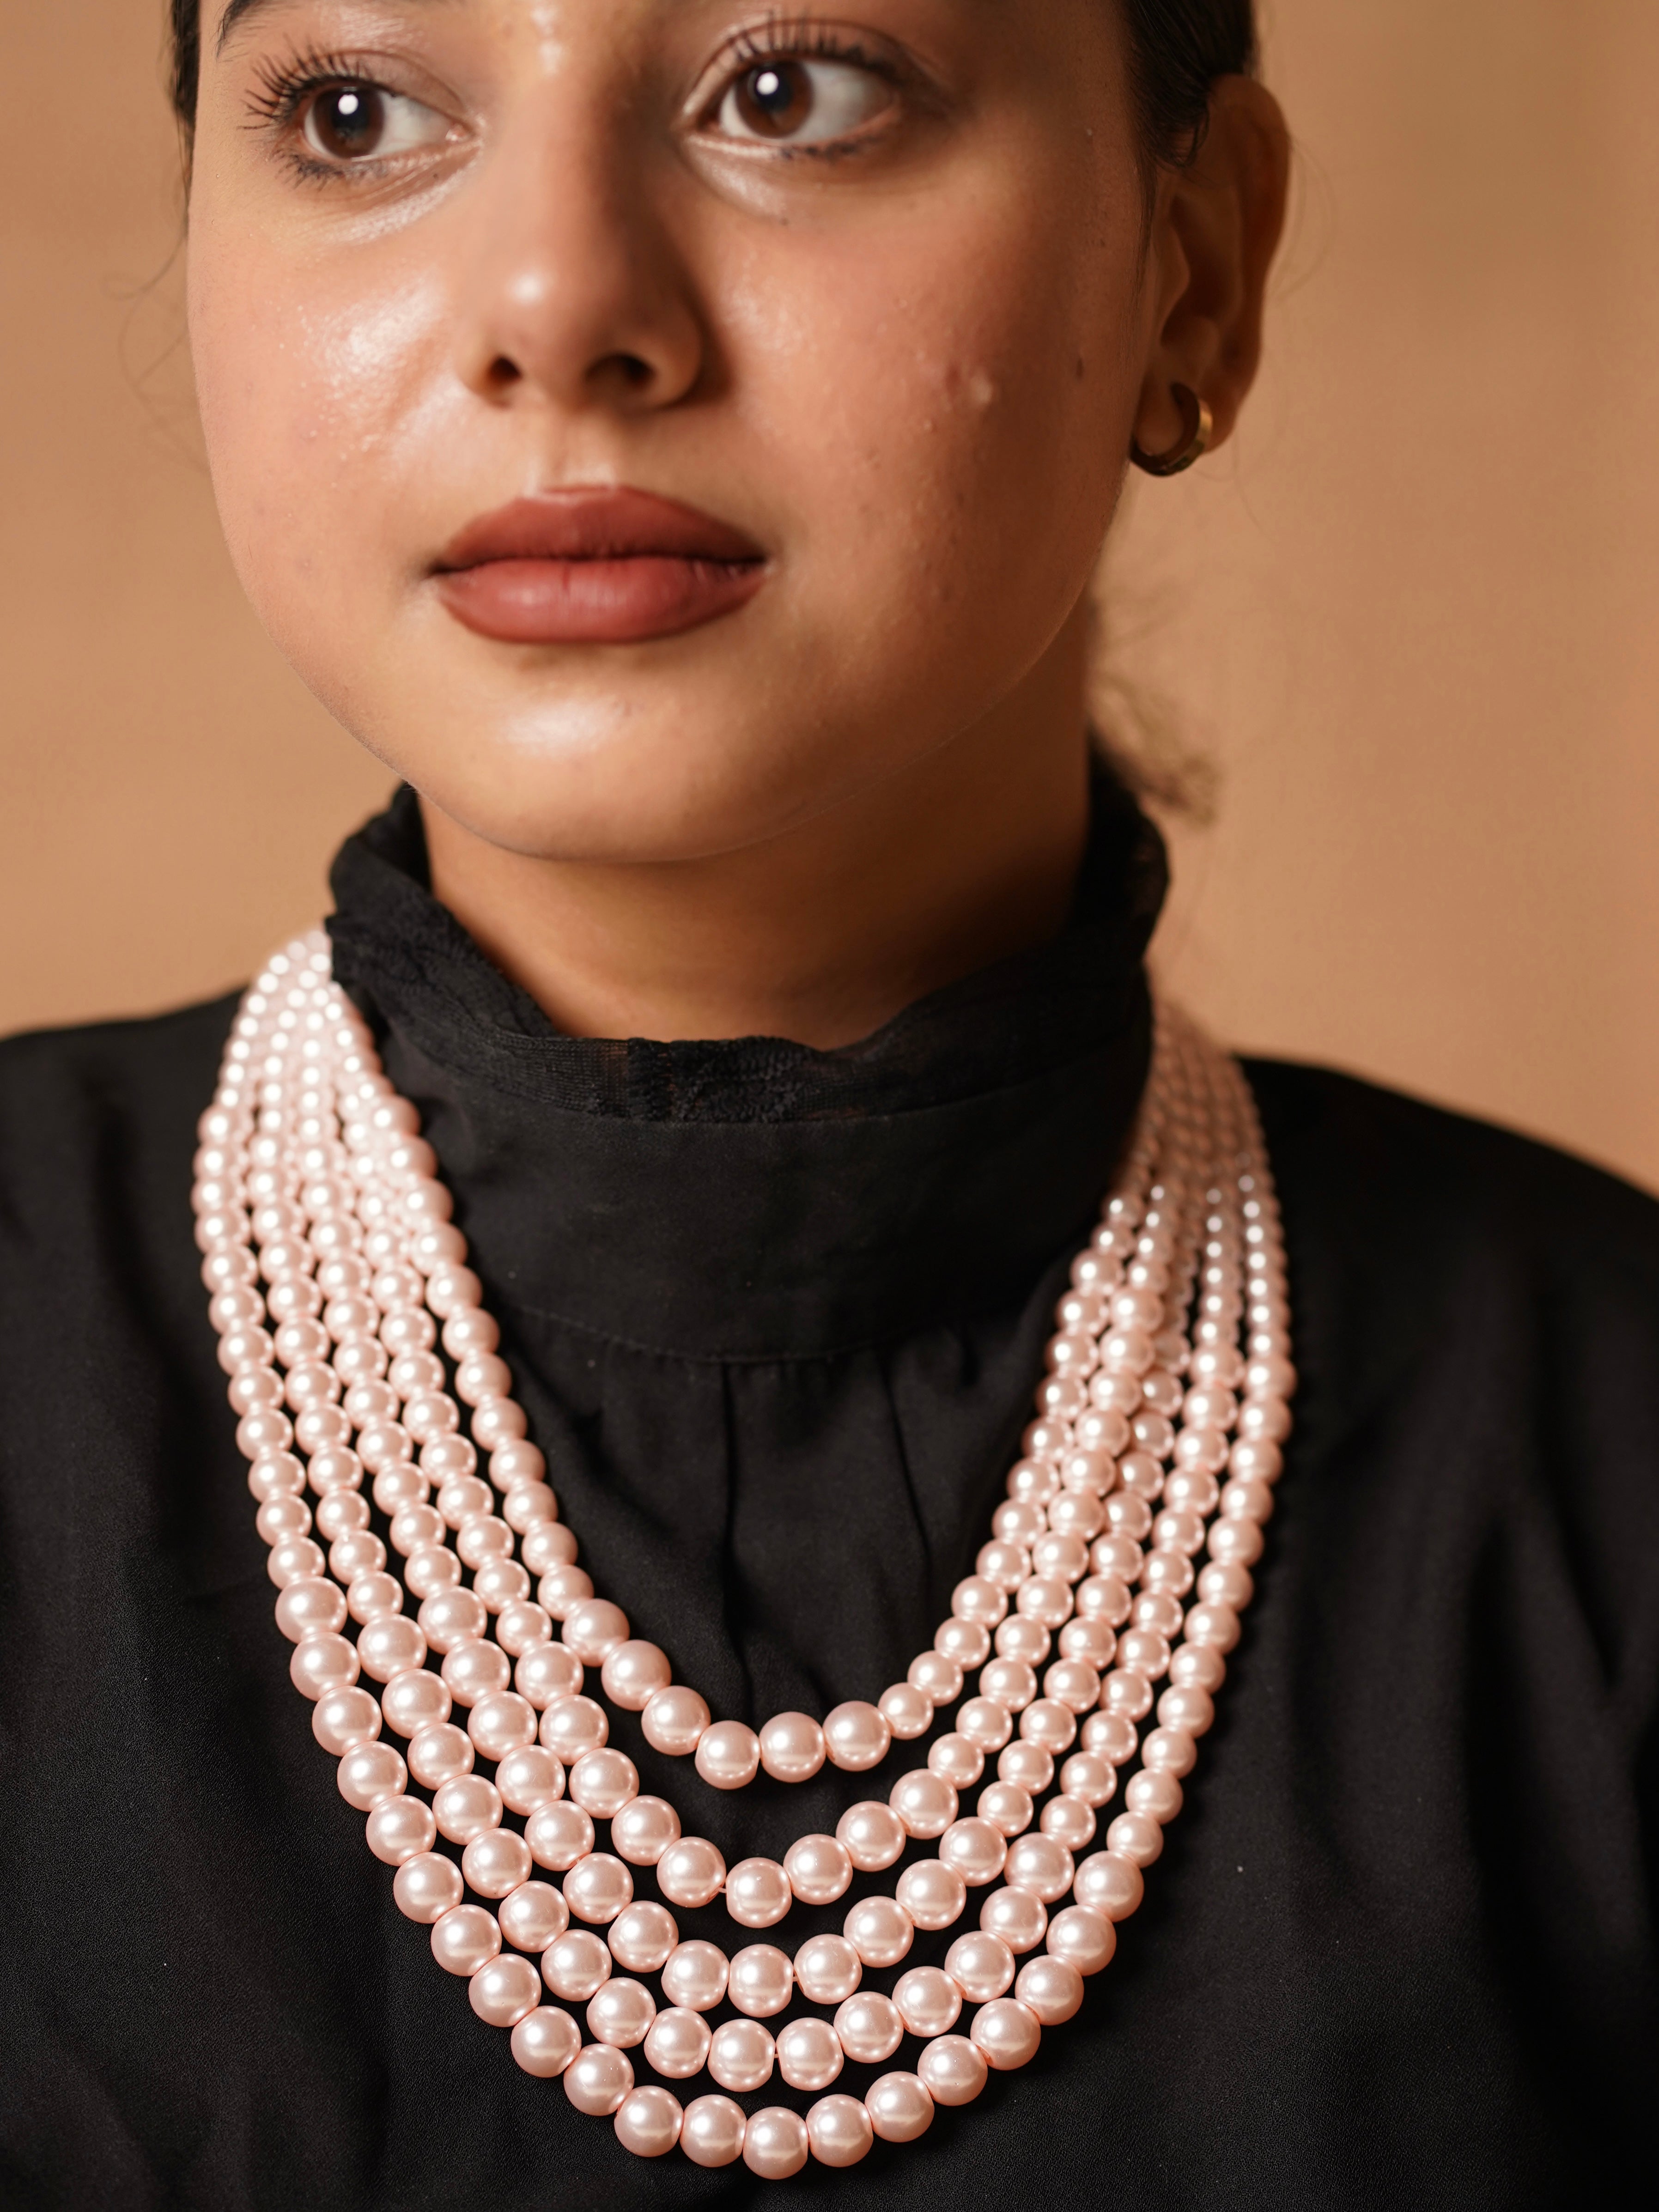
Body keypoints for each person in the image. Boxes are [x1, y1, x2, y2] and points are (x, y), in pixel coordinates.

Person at [0, 1, 1653, 2204]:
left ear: (1197, 266)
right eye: (360, 112)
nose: (560, 306)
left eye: (794, 89)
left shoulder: (1613, 1455)